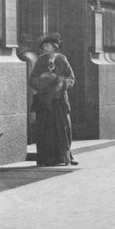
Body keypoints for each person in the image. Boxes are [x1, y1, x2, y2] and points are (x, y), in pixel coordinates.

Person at [27, 33, 76, 165]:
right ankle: (45, 159)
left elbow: (71, 78)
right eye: (44, 46)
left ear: (55, 47)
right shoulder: (41, 60)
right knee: (44, 129)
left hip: (59, 100)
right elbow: (32, 79)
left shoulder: (62, 59)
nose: (45, 47)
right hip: (44, 102)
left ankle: (65, 156)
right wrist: (42, 80)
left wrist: (60, 83)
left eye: (47, 45)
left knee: (62, 127)